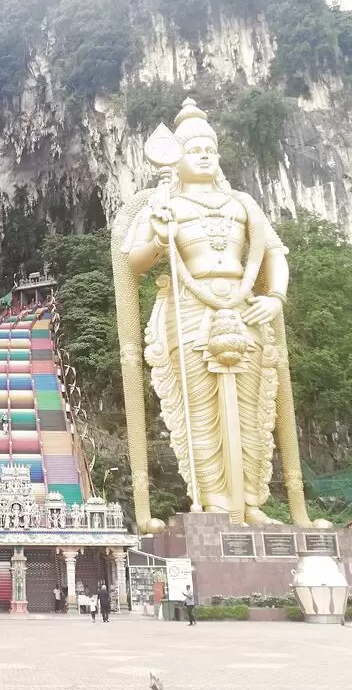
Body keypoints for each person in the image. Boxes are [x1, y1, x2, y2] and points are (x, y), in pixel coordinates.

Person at [114, 97, 316, 532]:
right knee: (198, 407)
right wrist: (160, 239)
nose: (205, 156)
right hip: (188, 308)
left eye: (211, 150)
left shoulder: (242, 202)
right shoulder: (163, 205)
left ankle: (252, 501)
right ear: (175, 158)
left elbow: (274, 253)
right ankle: (214, 502)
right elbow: (131, 261)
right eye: (195, 150)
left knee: (252, 406)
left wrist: (276, 296)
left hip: (245, 306)